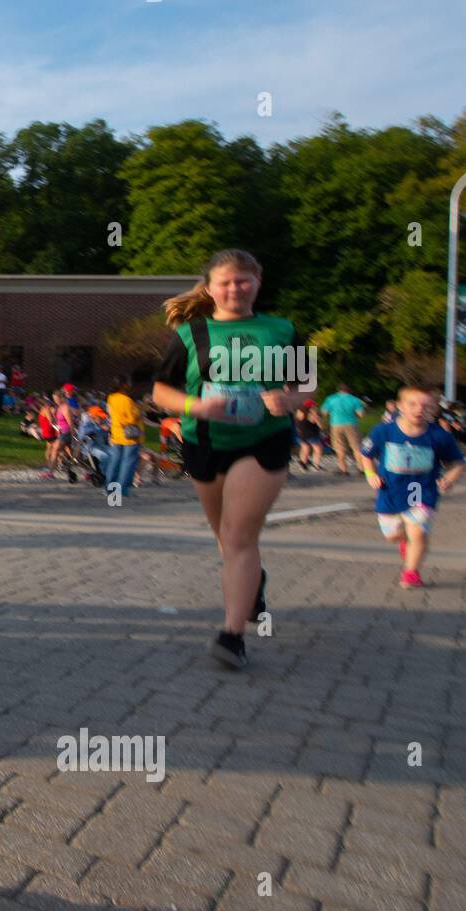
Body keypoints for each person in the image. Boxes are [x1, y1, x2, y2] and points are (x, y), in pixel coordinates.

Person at [153, 248, 312, 670]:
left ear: (258, 282)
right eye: (225, 282)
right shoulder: (191, 334)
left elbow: (308, 386)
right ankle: (253, 583)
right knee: (226, 538)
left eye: (243, 281)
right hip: (204, 443)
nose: (235, 289)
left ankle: (232, 635)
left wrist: (289, 398)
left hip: (262, 442)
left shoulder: (282, 329)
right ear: (210, 288)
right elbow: (160, 392)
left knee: (239, 536)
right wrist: (196, 407)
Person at [360, 384, 464, 589]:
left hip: (421, 491)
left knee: (418, 533)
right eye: (412, 404)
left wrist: (450, 478)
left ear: (434, 409)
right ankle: (403, 542)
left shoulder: (439, 436)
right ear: (400, 406)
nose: (419, 409)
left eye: (426, 406)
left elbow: (458, 462)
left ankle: (411, 573)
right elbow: (366, 455)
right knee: (392, 535)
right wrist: (370, 474)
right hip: (390, 491)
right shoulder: (384, 431)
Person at [105, 376, 144, 497]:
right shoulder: (127, 400)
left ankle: (109, 488)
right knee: (128, 463)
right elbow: (132, 418)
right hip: (130, 435)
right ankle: (122, 490)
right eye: (128, 383)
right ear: (123, 385)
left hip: (116, 433)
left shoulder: (111, 398)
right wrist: (140, 409)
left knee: (115, 461)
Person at [320, 383, 365, 475]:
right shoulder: (355, 400)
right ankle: (361, 469)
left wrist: (332, 415)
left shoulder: (331, 399)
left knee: (340, 448)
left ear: (338, 390)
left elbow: (324, 412)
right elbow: (361, 414)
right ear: (349, 391)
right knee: (357, 448)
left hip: (336, 424)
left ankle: (343, 469)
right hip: (351, 424)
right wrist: (352, 415)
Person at [295, 400, 324, 470]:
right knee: (318, 449)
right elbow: (321, 426)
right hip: (311, 434)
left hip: (300, 434)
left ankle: (303, 463)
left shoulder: (299, 412)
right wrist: (317, 417)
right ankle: (315, 465)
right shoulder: (311, 414)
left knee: (305, 448)